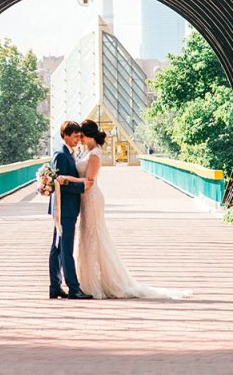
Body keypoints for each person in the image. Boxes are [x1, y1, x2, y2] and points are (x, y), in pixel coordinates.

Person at [65, 119, 192, 300]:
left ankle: (99, 283)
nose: (80, 139)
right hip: (84, 199)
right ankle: (87, 281)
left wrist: (65, 179)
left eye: (82, 135)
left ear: (90, 135)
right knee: (86, 237)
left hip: (92, 198)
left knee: (95, 237)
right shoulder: (84, 152)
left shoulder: (94, 155)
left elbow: (90, 181)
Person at [49, 121, 93, 299]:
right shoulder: (61, 154)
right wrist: (83, 187)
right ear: (65, 135)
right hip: (64, 207)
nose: (77, 139)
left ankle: (55, 286)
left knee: (58, 248)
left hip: (64, 207)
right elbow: (61, 184)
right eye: (74, 136)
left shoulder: (68, 153)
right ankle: (73, 288)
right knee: (65, 248)